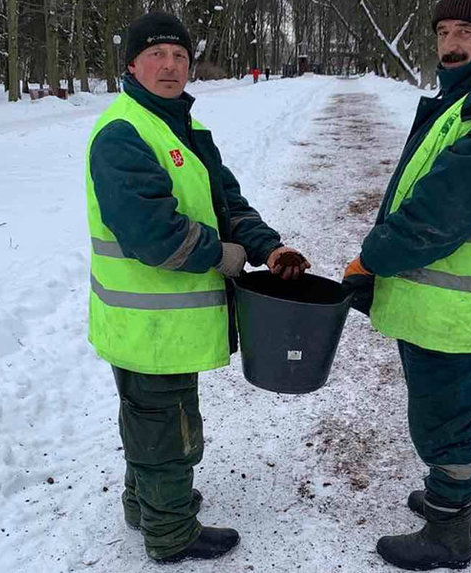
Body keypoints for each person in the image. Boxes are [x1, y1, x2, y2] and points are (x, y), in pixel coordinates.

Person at [85, 11, 309, 565]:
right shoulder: (123, 134)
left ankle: (146, 504)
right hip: (150, 322)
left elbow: (227, 204)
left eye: (179, 56)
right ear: (132, 65)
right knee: (168, 430)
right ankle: (171, 533)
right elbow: (152, 234)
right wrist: (226, 256)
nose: (170, 65)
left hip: (169, 324)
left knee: (151, 419)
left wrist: (268, 247)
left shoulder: (181, 128)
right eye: (156, 55)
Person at [343, 0, 471, 570]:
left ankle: (447, 533)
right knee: (454, 410)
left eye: (467, 30)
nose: (452, 42)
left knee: (441, 422)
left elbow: (438, 215)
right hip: (442, 301)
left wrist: (370, 259)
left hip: (451, 306)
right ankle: (467, 505)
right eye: (443, 31)